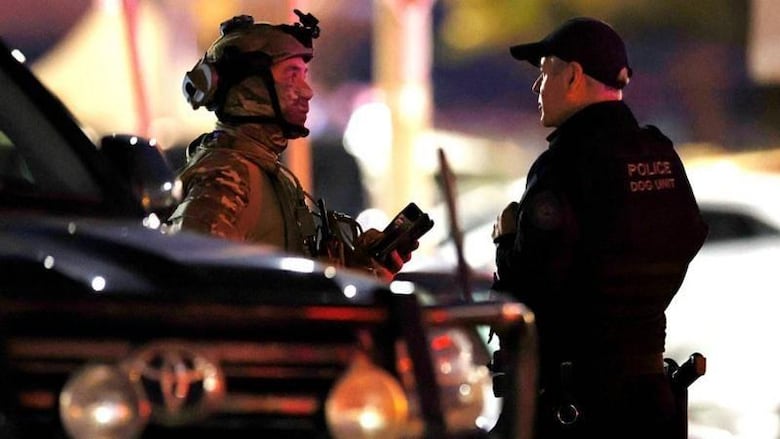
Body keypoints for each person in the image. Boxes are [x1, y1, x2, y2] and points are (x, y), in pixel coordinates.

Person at [490, 17, 708, 438]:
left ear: (571, 75)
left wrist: (506, 239)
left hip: (575, 403)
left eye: (544, 72)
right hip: (651, 396)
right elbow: (690, 235)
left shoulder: (563, 164)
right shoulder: (659, 152)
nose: (537, 88)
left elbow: (529, 288)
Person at [167, 11, 413, 281]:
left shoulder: (267, 172)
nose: (307, 91)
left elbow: (286, 275)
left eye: (304, 76)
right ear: (251, 86)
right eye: (291, 76)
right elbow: (193, 288)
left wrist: (358, 264)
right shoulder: (226, 175)